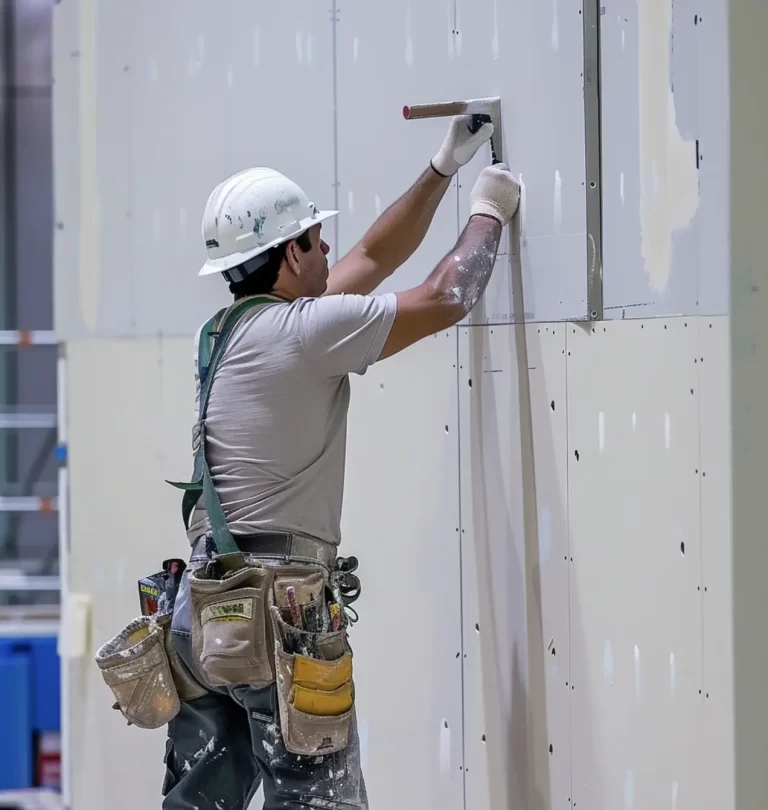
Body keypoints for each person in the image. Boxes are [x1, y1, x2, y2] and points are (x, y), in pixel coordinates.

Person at [162, 116, 521, 810]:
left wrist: (441, 168)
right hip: (275, 614)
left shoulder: (230, 331)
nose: (330, 248)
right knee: (315, 800)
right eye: (316, 240)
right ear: (291, 255)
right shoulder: (304, 332)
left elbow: (373, 257)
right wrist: (488, 212)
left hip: (203, 615)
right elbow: (446, 295)